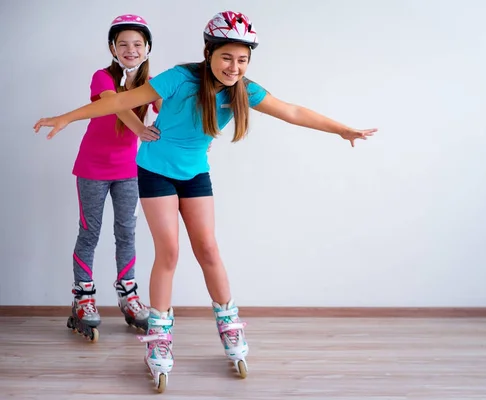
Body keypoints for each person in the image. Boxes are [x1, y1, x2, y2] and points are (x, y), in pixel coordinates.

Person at [34, 10, 376, 391]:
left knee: (209, 249)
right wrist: (66, 117)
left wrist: (341, 129)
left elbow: (292, 111)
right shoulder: (179, 79)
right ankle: (160, 336)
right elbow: (119, 102)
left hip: (195, 174)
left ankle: (229, 325)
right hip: (155, 171)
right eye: (227, 57)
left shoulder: (243, 90)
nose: (234, 66)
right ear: (208, 52)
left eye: (242, 60)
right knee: (169, 252)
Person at [63, 14, 162, 342]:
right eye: (123, 44)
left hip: (129, 171)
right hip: (92, 167)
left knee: (127, 233)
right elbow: (114, 105)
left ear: (147, 48)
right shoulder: (102, 77)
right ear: (112, 48)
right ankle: (83, 297)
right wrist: (139, 128)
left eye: (137, 44)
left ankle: (128, 296)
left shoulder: (151, 84)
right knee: (90, 232)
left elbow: (169, 107)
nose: (130, 49)